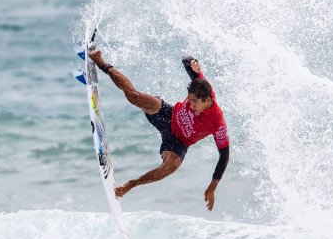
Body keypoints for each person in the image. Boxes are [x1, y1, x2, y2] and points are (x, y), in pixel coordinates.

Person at [88, 49, 230, 211]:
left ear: (208, 99)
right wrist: (192, 62)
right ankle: (102, 64)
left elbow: (224, 155)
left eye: (194, 102)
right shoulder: (201, 83)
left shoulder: (218, 123)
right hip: (169, 115)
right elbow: (185, 60)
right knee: (134, 96)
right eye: (189, 100)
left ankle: (132, 184)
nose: (190, 105)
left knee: (170, 167)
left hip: (178, 142)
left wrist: (212, 185)